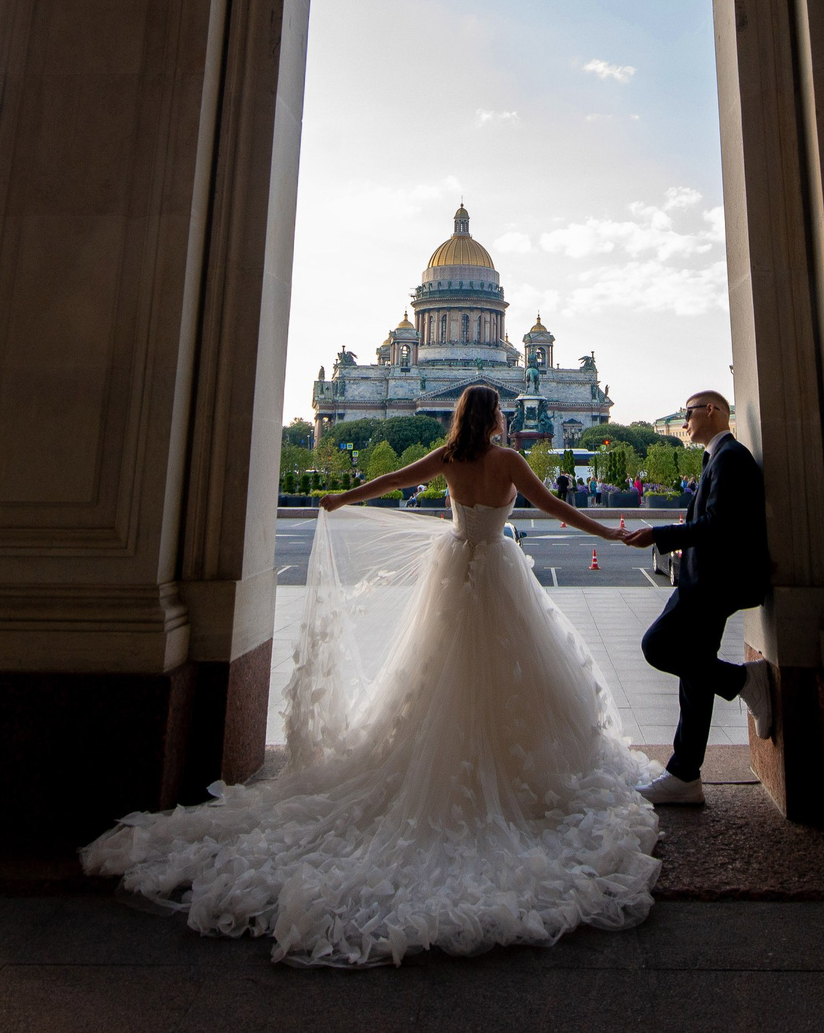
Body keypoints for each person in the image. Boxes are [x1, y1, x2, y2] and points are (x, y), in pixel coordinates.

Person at [81, 385, 657, 967]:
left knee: (439, 672)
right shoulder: (506, 459)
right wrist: (608, 533)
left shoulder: (450, 459)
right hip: (499, 574)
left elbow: (394, 482)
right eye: (502, 412)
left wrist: (342, 498)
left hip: (456, 575)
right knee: (507, 671)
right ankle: (509, 763)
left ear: (461, 417)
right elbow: (552, 508)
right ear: (495, 416)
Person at [622, 390, 775, 806]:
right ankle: (685, 774)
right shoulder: (718, 457)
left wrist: (659, 534)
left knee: (658, 646)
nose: (684, 420)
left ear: (713, 411)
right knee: (694, 676)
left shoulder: (730, 458)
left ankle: (744, 680)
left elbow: (716, 525)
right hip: (706, 579)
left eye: (688, 413)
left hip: (712, 582)